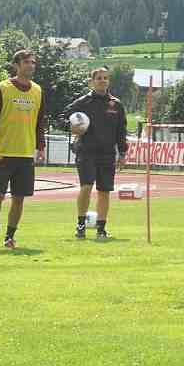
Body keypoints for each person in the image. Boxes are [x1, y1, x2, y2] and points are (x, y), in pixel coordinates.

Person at [0, 50, 45, 250]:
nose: (31, 66)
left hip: (25, 154)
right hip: (3, 151)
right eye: (27, 62)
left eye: (33, 62)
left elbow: (40, 122)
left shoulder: (38, 91)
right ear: (17, 65)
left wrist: (40, 147)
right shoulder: (3, 87)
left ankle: (9, 237)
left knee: (19, 199)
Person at [63, 67, 127, 241]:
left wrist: (122, 153)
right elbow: (63, 116)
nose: (102, 80)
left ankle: (101, 228)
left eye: (105, 78)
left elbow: (121, 131)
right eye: (99, 78)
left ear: (109, 81)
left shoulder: (116, 104)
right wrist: (73, 126)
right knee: (86, 186)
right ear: (91, 81)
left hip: (107, 154)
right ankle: (81, 225)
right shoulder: (83, 102)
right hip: (86, 151)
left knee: (104, 191)